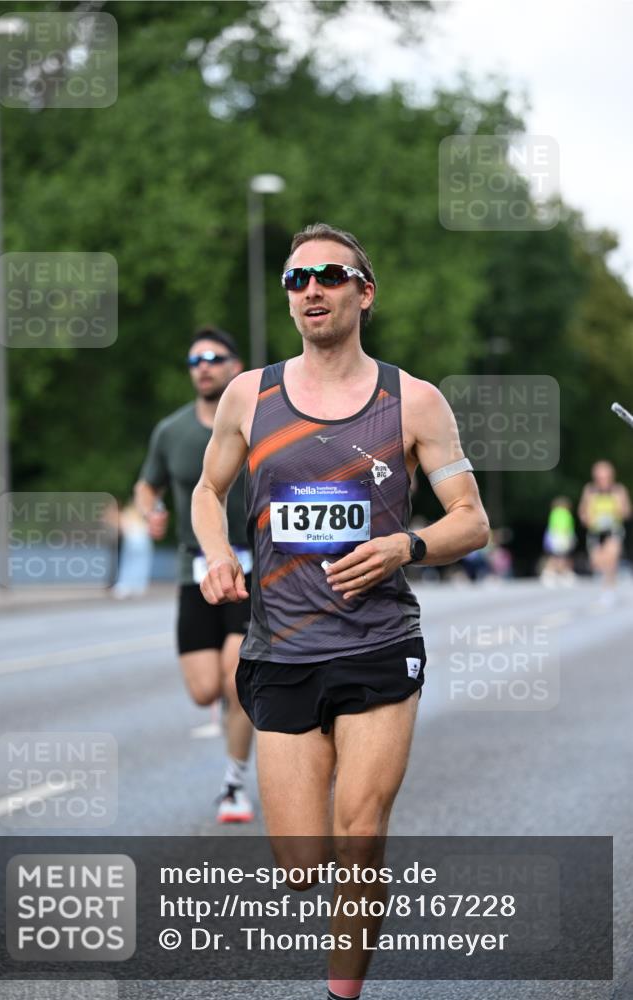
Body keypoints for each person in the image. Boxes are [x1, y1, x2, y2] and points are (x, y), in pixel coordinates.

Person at [192, 223, 489, 999]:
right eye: (297, 279)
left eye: (329, 275)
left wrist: (404, 549)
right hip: (281, 644)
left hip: (376, 641)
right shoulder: (247, 396)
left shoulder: (413, 401)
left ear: (365, 292)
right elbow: (206, 491)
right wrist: (218, 553)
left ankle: (341, 994)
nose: (312, 289)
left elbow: (470, 519)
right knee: (300, 868)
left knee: (361, 837)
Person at [135, 327, 255, 823]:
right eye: (195, 359)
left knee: (236, 679)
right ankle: (226, 705)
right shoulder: (172, 430)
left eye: (214, 357)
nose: (203, 365)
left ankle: (233, 785)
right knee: (205, 689)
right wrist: (151, 509)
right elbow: (147, 484)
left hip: (252, 566)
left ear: (235, 365)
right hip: (194, 567)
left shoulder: (258, 420)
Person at [578, 460, 631, 601]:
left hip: (613, 529)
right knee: (597, 561)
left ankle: (609, 589)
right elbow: (582, 511)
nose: (603, 480)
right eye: (600, 477)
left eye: (606, 477)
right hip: (595, 531)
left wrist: (620, 509)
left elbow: (627, 512)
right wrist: (587, 519)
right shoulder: (590, 490)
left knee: (611, 557)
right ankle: (605, 580)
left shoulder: (618, 490)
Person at [541, 496, 576, 586]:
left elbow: (551, 527)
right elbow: (568, 528)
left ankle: (553, 574)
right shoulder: (565, 514)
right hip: (561, 537)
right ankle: (556, 574)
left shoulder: (554, 513)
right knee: (561, 556)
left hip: (555, 537)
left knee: (556, 556)